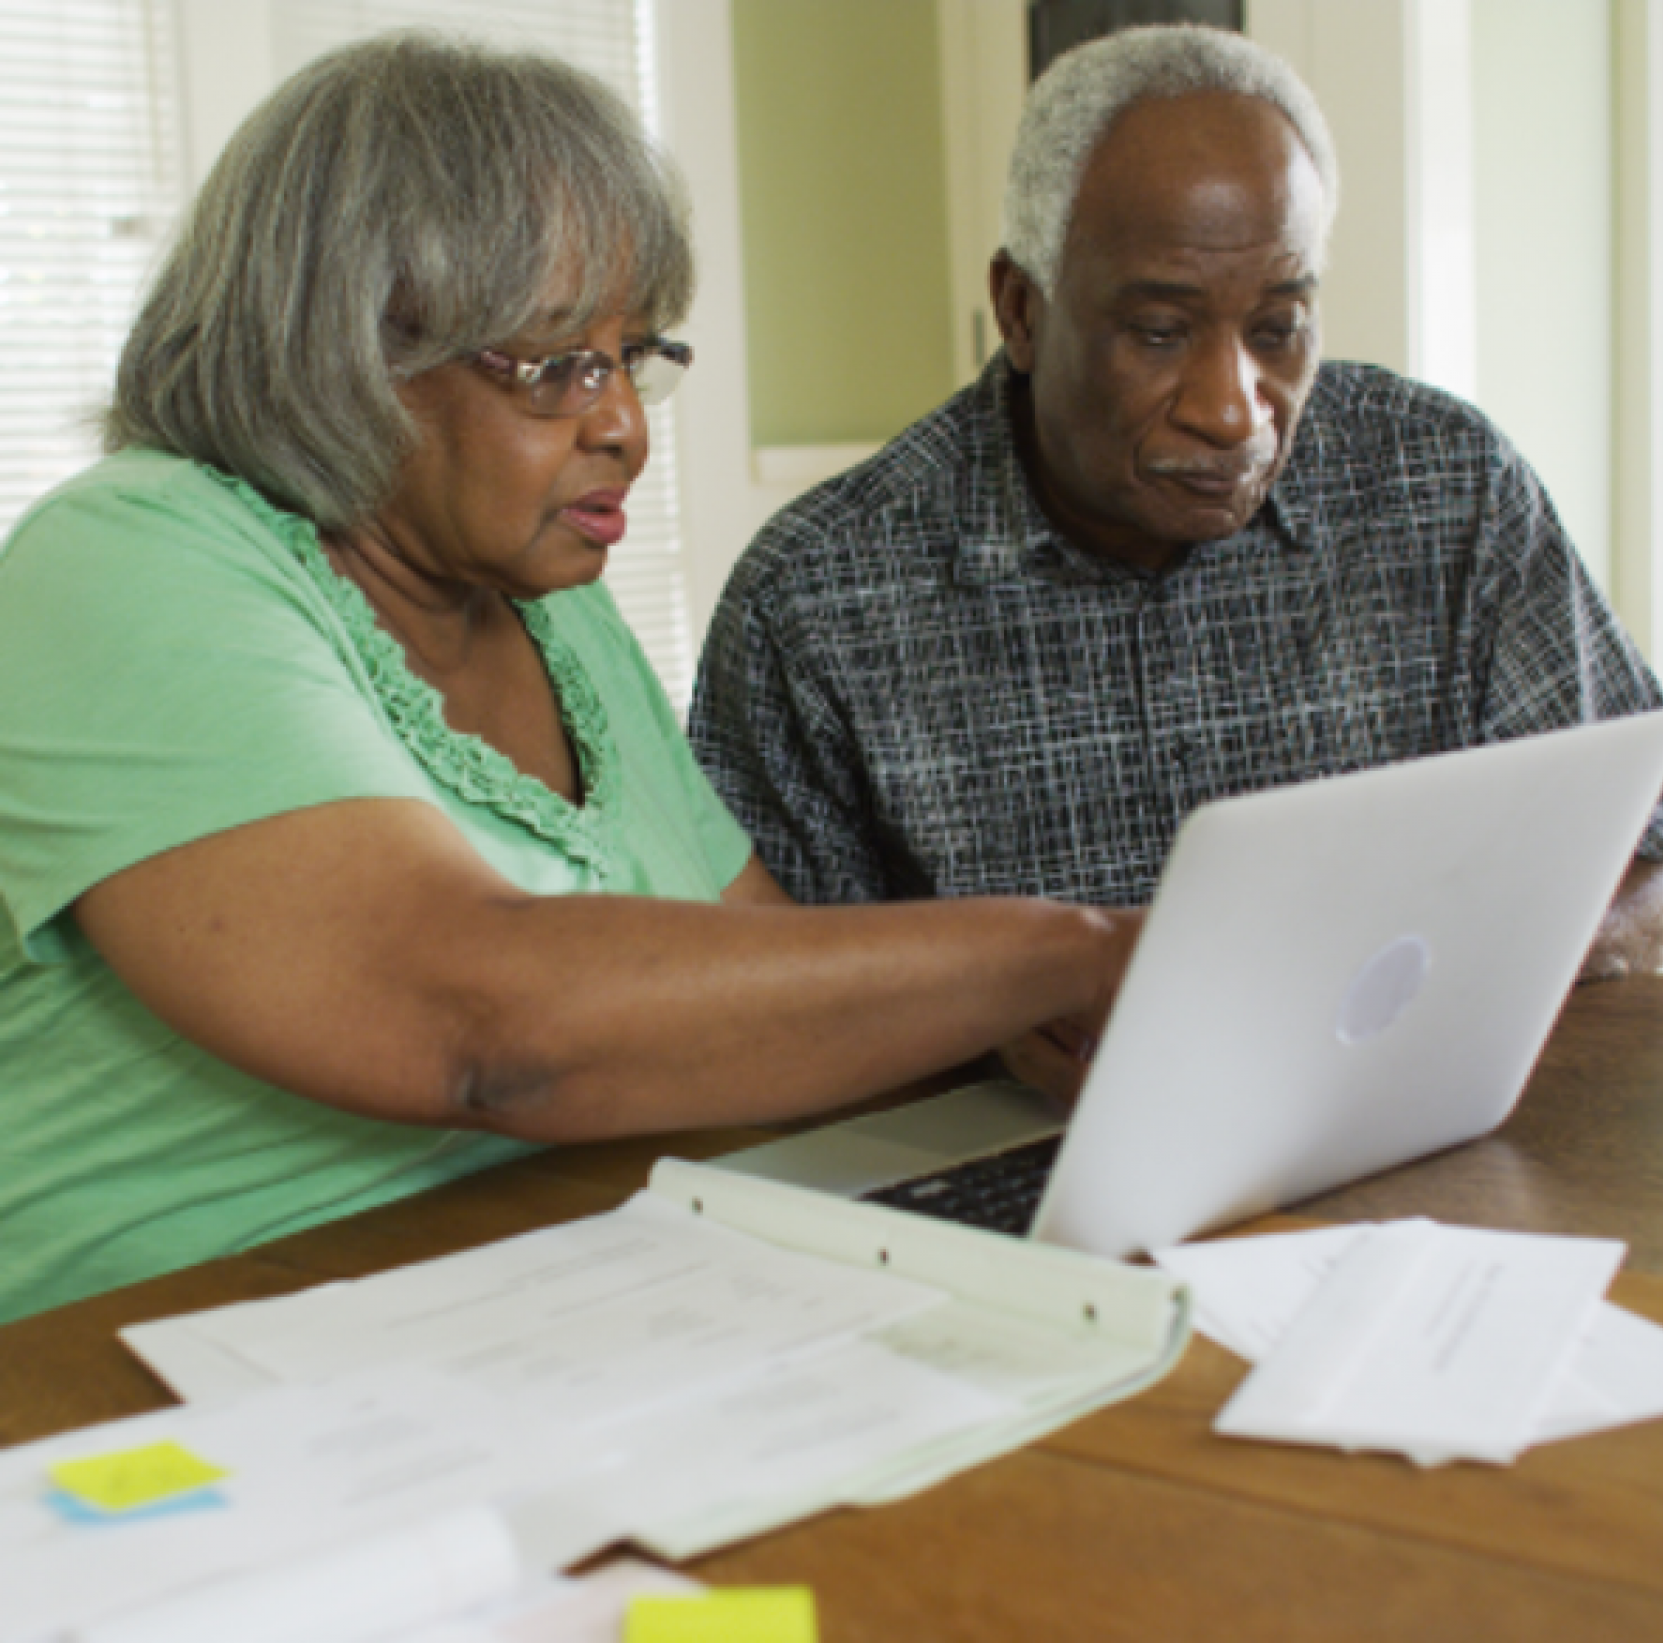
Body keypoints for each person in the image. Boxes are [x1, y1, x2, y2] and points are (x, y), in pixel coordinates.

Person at [0, 34, 1138, 1324]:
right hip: (136, 1384)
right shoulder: (127, 559)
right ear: (345, 354)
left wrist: (985, 1028)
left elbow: (752, 973)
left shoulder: (550, 612)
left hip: (539, 1308)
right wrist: (1063, 951)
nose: (627, 426)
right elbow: (477, 1017)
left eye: (634, 354)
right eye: (558, 367)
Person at [691, 22, 1663, 982]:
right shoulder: (817, 599)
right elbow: (759, 1005)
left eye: (1278, 327)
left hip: (1414, 1144)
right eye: (1157, 330)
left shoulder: (1445, 485)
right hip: (1014, 1164)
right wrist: (998, 1011)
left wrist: (1465, 977)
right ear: (1021, 308)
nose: (1235, 412)